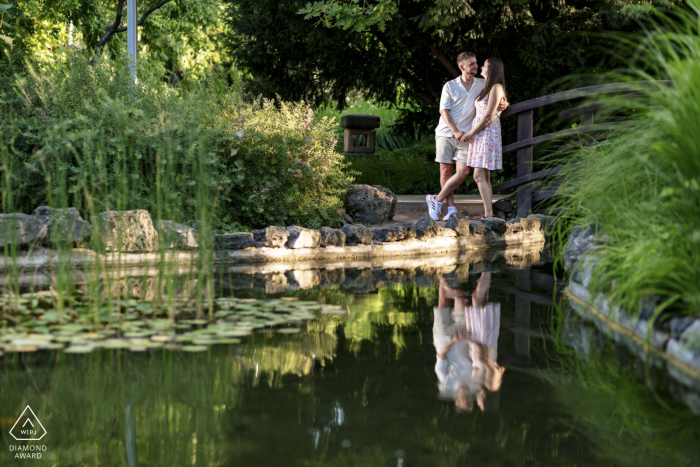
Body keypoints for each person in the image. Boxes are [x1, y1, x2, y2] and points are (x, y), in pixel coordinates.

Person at [427, 57, 508, 220]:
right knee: (473, 174)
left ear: (491, 70)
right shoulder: (460, 85)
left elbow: (491, 112)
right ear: (461, 67)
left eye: (482, 65)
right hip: (466, 134)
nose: (478, 67)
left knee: (474, 174)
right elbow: (444, 110)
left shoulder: (486, 85)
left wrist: (505, 103)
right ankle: (454, 209)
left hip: (480, 135)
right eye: (474, 64)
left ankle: (436, 199)